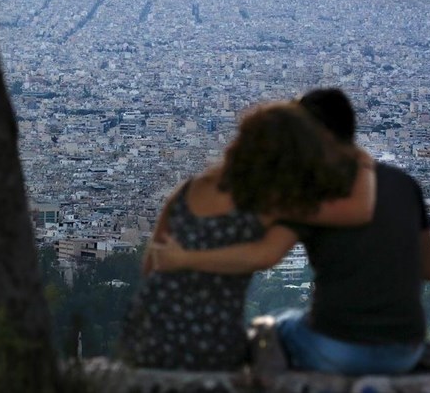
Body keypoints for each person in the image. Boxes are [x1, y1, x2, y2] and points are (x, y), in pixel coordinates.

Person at [152, 88, 430, 375]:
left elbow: (263, 255)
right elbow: (428, 268)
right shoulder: (405, 184)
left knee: (270, 328)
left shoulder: (313, 191)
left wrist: (185, 258)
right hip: (405, 350)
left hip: (335, 349)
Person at [119, 101, 375, 371]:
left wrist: (182, 260)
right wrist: (362, 160)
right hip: (209, 341)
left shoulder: (188, 190)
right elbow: (358, 212)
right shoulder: (270, 204)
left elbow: (151, 264)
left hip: (144, 334)